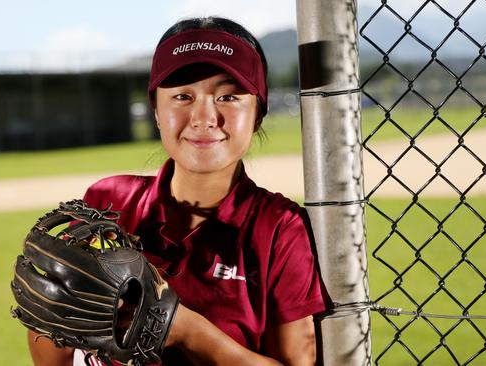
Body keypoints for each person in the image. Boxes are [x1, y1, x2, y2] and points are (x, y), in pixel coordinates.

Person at [27, 16, 332, 366]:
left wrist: (189, 331)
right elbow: (56, 356)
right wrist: (51, 315)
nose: (204, 117)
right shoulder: (109, 202)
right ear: (156, 110)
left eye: (228, 96)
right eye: (183, 96)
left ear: (259, 113)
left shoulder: (278, 227)